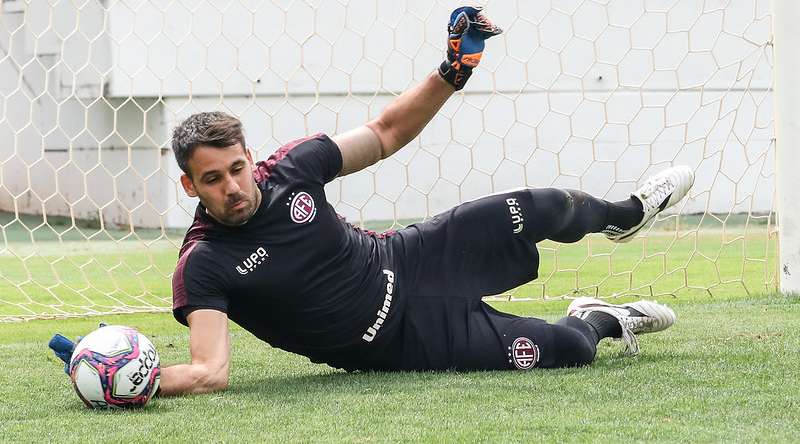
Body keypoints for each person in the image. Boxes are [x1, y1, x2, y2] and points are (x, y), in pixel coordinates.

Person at [50, 7, 693, 395]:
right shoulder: (204, 265)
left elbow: (386, 133)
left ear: (251, 158)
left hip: (410, 259)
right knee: (571, 350)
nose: (233, 187)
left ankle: (629, 214)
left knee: (549, 205)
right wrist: (129, 380)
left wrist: (453, 70)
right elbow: (211, 370)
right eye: (213, 179)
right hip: (402, 343)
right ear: (189, 186)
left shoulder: (293, 169)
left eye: (237, 169)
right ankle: (606, 317)